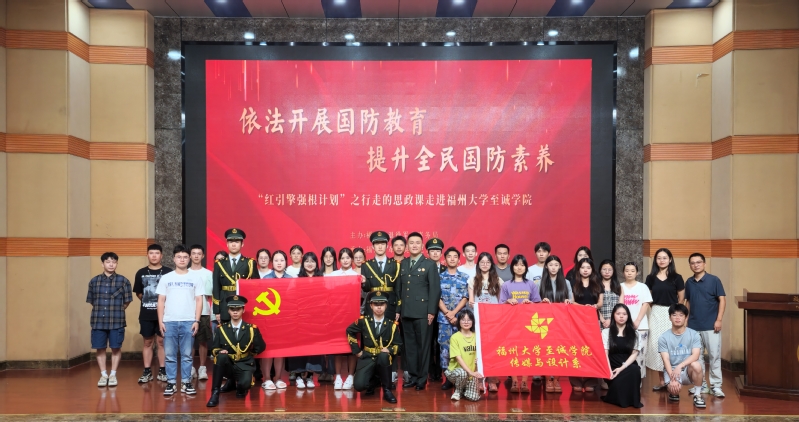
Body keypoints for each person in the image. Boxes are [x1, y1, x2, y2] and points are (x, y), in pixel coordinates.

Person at [156, 244, 204, 397]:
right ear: (173, 259)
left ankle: (185, 382)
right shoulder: (166, 278)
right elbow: (161, 301)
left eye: (185, 257)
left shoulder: (195, 278)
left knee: (187, 355)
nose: (182, 259)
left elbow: (199, 300)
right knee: (170, 355)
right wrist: (160, 321)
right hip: (169, 321)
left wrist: (196, 321)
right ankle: (171, 383)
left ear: (189, 259)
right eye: (179, 257)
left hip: (188, 321)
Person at [206, 295, 267, 407]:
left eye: (238, 309)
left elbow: (261, 347)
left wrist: (249, 354)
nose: (235, 312)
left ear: (243, 310)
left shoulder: (251, 329)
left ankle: (238, 386)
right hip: (228, 364)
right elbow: (214, 349)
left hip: (244, 364)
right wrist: (220, 352)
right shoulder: (221, 329)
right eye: (232, 309)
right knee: (221, 357)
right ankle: (215, 393)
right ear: (228, 311)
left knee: (244, 385)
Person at [400, 232, 442, 390]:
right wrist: (399, 310)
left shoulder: (429, 264)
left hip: (424, 313)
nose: (414, 245)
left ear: (422, 245)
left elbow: (435, 290)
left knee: (423, 347)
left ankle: (422, 379)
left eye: (417, 242)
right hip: (406, 311)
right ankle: (413, 376)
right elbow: (400, 288)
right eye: (411, 243)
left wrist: (431, 311)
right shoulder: (403, 263)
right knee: (410, 347)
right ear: (407, 246)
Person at [87, 252, 133, 387]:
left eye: (114, 262)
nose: (111, 264)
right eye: (108, 262)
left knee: (116, 348)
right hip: (98, 321)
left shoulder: (124, 281)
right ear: (102, 264)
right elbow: (92, 301)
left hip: (117, 321)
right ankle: (103, 375)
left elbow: (127, 302)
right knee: (100, 348)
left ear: (117, 263)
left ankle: (113, 374)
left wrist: (116, 309)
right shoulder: (94, 281)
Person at [346, 292, 402, 403]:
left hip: (383, 358)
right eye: (376, 304)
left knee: (384, 356)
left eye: (382, 304)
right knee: (359, 386)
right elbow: (349, 331)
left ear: (386, 306)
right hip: (367, 356)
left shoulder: (392, 325)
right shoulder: (364, 321)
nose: (379, 307)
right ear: (371, 306)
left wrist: (390, 350)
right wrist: (357, 351)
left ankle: (387, 390)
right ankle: (374, 381)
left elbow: (399, 346)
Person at [684, 252, 726, 398]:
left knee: (714, 356)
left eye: (698, 262)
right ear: (690, 265)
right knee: (697, 358)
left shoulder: (714, 280)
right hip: (693, 326)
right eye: (693, 263)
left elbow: (722, 300)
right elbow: (688, 301)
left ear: (704, 264)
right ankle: (701, 385)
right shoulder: (689, 282)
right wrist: (686, 320)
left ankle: (716, 386)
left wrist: (719, 319)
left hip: (711, 325)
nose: (696, 265)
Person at [499, 254, 542, 393]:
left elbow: (538, 304)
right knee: (513, 352)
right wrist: (507, 301)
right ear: (512, 267)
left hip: (528, 324)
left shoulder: (531, 284)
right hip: (511, 324)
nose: (519, 267)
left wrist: (530, 303)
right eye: (516, 265)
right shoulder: (506, 285)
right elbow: (500, 305)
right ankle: (514, 381)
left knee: (526, 352)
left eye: (522, 265)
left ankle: (524, 381)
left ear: (525, 268)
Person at [646, 248, 685, 391]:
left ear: (670, 260)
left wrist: (677, 314)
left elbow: (681, 298)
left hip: (672, 313)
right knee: (657, 345)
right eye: (659, 258)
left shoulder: (677, 277)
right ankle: (662, 381)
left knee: (671, 346)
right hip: (656, 313)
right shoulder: (650, 278)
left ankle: (673, 379)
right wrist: (656, 308)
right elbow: (648, 298)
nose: (661, 260)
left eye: (664, 258)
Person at [132, 244, 172, 383]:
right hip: (146, 314)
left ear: (161, 255)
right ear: (147, 255)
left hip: (165, 314)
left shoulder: (168, 272)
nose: (154, 256)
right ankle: (147, 371)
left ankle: (163, 370)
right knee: (148, 342)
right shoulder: (141, 272)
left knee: (161, 342)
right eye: (151, 253)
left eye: (157, 253)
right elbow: (139, 293)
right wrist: (150, 302)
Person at [467, 252, 504, 392]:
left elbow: (501, 301)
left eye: (487, 262)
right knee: (478, 350)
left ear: (491, 264)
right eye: (482, 262)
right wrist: (476, 305)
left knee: (493, 350)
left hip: (494, 321)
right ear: (478, 264)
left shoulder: (498, 280)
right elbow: (471, 301)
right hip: (478, 320)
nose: (485, 264)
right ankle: (479, 380)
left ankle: (492, 380)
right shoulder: (473, 280)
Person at [658, 303, 706, 408]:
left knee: (696, 365)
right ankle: (673, 392)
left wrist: (680, 366)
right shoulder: (663, 337)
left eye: (681, 315)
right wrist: (673, 379)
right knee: (674, 390)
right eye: (674, 315)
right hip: (671, 370)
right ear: (669, 318)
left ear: (686, 317)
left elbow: (696, 355)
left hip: (687, 370)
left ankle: (697, 395)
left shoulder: (694, 334)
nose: (677, 318)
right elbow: (665, 359)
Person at [288, 252, 325, 388]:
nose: (310, 264)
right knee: (299, 347)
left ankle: (309, 376)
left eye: (313, 261)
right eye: (307, 261)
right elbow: (289, 297)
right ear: (303, 263)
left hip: (316, 320)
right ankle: (298, 375)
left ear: (317, 264)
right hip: (300, 319)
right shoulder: (296, 280)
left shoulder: (321, 279)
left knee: (313, 348)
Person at [539, 255, 574, 393]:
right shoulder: (540, 283)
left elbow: (572, 301)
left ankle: (557, 379)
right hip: (545, 323)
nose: (553, 267)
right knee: (546, 351)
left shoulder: (566, 283)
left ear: (560, 267)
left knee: (560, 350)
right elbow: (535, 303)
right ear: (546, 266)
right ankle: (548, 378)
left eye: (556, 265)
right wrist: (542, 302)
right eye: (551, 265)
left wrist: (568, 302)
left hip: (561, 322)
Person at [438, 246, 470, 390]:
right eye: (449, 256)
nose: (452, 259)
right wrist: (447, 313)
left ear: (459, 260)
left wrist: (454, 313)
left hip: (461, 320)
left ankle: (462, 377)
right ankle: (448, 378)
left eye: (455, 256)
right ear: (445, 259)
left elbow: (465, 297)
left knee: (461, 348)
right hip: (444, 320)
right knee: (445, 348)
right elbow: (437, 298)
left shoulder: (464, 277)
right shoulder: (439, 277)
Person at [327, 248, 359, 390]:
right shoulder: (332, 275)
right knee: (338, 347)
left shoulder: (357, 275)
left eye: (348, 258)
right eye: (343, 258)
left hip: (352, 316)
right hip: (337, 316)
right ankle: (338, 376)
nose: (345, 260)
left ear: (351, 259)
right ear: (339, 260)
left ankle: (351, 376)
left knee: (352, 346)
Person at [601, 304, 644, 408]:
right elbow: (605, 353)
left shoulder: (635, 333)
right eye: (618, 314)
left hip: (627, 365)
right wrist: (608, 371)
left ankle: (632, 400)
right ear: (613, 315)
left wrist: (621, 368)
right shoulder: (606, 332)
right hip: (612, 366)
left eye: (624, 314)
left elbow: (634, 354)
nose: (621, 316)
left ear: (628, 316)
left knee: (634, 369)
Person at [260, 250, 292, 391]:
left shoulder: (291, 279)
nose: (279, 263)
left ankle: (278, 378)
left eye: (282, 260)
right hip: (268, 320)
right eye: (276, 260)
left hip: (284, 319)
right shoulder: (266, 279)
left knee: (280, 350)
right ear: (272, 262)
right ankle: (267, 379)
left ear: (286, 262)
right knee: (267, 350)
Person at [570, 258, 603, 392]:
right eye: (583, 267)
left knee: (591, 350)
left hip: (593, 321)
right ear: (579, 269)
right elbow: (571, 302)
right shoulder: (574, 283)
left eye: (588, 268)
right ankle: (576, 381)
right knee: (576, 350)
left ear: (592, 270)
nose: (585, 270)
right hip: (576, 321)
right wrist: (584, 307)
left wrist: (594, 306)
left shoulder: (597, 284)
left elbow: (600, 303)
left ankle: (591, 380)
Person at [212, 228, 258, 325]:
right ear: (227, 244)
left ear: (242, 244)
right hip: (225, 305)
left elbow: (256, 287)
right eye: (231, 242)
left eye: (237, 242)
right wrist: (217, 311)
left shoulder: (250, 263)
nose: (233, 244)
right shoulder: (219, 263)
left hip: (244, 305)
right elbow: (216, 288)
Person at [620, 262, 652, 381]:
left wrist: (637, 320)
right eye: (627, 270)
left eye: (632, 271)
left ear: (637, 273)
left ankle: (638, 381)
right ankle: (625, 379)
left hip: (641, 326)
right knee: (625, 353)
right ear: (623, 272)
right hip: (623, 326)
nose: (629, 273)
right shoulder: (619, 286)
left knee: (640, 354)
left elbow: (646, 304)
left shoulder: (643, 287)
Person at [361, 231, 401, 320]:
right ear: (372, 246)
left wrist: (398, 309)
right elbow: (366, 289)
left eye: (382, 244)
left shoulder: (395, 264)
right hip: (372, 305)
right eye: (377, 244)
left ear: (387, 246)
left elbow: (398, 289)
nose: (380, 247)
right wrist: (364, 282)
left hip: (390, 305)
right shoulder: (366, 265)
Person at [445, 309, 483, 401]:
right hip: (456, 371)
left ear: (473, 322)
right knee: (462, 373)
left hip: (472, 372)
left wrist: (476, 369)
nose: (466, 322)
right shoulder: (455, 337)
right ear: (459, 321)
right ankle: (458, 390)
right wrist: (470, 372)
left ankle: (465, 387)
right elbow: (458, 358)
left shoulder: (477, 336)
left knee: (474, 398)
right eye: (463, 319)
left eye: (469, 320)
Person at [189, 244, 214, 380]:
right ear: (190, 255)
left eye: (199, 254)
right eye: (194, 253)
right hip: (187, 312)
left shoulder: (208, 274)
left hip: (204, 311)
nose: (196, 256)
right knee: (189, 341)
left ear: (203, 256)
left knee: (202, 341)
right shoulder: (185, 273)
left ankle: (202, 368)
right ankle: (190, 368)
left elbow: (210, 295)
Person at [425, 238, 445, 383]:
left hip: (443, 312)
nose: (435, 253)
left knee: (440, 342)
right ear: (428, 253)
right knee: (428, 342)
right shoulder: (423, 268)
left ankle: (439, 370)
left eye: (438, 250)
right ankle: (430, 371)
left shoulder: (446, 269)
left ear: (441, 253)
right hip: (427, 310)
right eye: (432, 251)